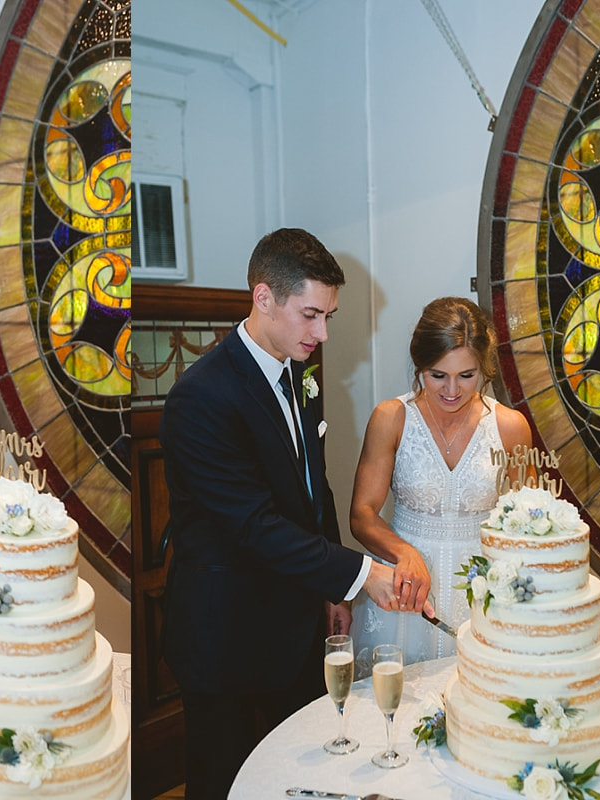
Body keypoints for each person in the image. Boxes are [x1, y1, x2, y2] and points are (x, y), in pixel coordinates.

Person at [159, 228, 421, 800]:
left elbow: (311, 489)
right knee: (224, 783)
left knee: (300, 776)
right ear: (263, 298)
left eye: (328, 315)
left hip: (295, 623)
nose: (322, 333)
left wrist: (331, 594)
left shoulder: (298, 373)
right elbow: (252, 524)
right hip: (223, 633)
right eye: (310, 315)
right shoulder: (200, 395)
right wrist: (360, 574)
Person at [349, 296, 533, 677]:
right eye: (438, 375)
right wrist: (404, 551)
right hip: (404, 593)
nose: (452, 390)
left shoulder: (511, 427)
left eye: (467, 375)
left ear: (484, 368)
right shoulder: (391, 418)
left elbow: (526, 528)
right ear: (420, 366)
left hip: (482, 596)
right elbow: (362, 514)